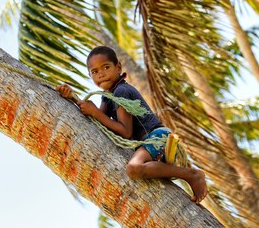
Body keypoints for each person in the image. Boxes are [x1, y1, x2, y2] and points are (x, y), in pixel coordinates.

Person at [56, 46, 207, 204]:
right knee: (139, 170)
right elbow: (99, 123)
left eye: (106, 67)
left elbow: (125, 131)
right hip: (148, 146)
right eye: (95, 72)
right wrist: (72, 98)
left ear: (118, 67)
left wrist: (95, 112)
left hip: (156, 138)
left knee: (134, 168)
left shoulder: (121, 91)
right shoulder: (108, 97)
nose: (101, 74)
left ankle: (192, 175)